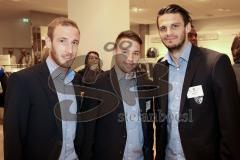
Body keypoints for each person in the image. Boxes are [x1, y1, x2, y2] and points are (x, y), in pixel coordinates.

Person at [153, 4, 240, 160]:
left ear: (187, 28)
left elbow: (231, 126)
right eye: (163, 28)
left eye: (175, 26)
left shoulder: (215, 63)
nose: (168, 33)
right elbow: (161, 122)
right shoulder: (159, 68)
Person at [4, 17, 90, 160]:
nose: (70, 50)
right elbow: (13, 138)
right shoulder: (23, 81)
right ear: (49, 42)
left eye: (74, 43)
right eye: (62, 41)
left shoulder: (77, 80)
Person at [92, 30, 154, 160]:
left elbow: (148, 125)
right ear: (115, 51)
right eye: (125, 52)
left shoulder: (145, 83)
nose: (130, 59)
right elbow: (88, 132)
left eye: (135, 53)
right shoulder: (98, 83)